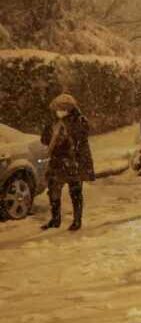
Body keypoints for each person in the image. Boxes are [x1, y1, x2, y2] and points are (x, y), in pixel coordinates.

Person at [40, 94, 95, 231]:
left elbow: (78, 139)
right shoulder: (54, 122)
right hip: (58, 160)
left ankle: (77, 220)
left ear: (69, 108)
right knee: (53, 189)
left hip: (73, 160)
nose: (58, 111)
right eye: (57, 108)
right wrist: (50, 133)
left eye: (61, 108)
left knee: (75, 190)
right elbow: (45, 139)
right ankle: (55, 219)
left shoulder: (79, 121)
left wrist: (64, 136)